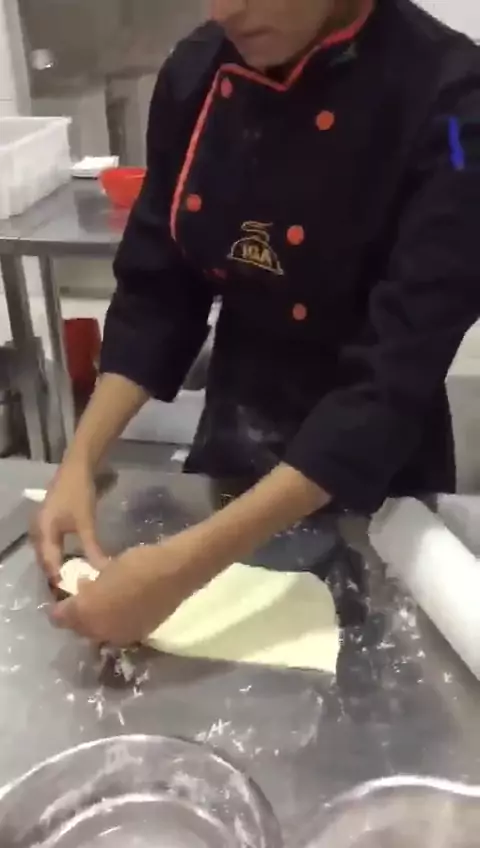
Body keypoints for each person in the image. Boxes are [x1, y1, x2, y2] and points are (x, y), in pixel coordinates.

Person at [34, 0, 480, 645]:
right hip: (231, 439)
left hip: (383, 482)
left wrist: (180, 570)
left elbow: (390, 381)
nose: (225, 9)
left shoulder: (456, 107)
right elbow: (159, 289)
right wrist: (79, 462)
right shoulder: (196, 71)